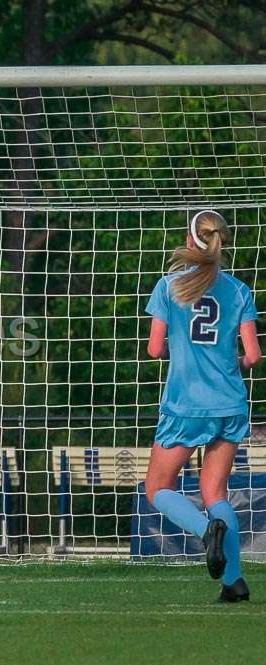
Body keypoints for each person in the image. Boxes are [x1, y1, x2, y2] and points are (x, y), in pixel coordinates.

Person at [143, 209, 261, 603]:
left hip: (185, 403)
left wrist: (183, 348)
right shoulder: (239, 291)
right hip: (229, 402)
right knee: (216, 491)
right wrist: (230, 361)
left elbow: (155, 348)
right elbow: (253, 356)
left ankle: (203, 529)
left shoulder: (169, 286)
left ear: (191, 240)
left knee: (157, 486)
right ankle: (234, 581)